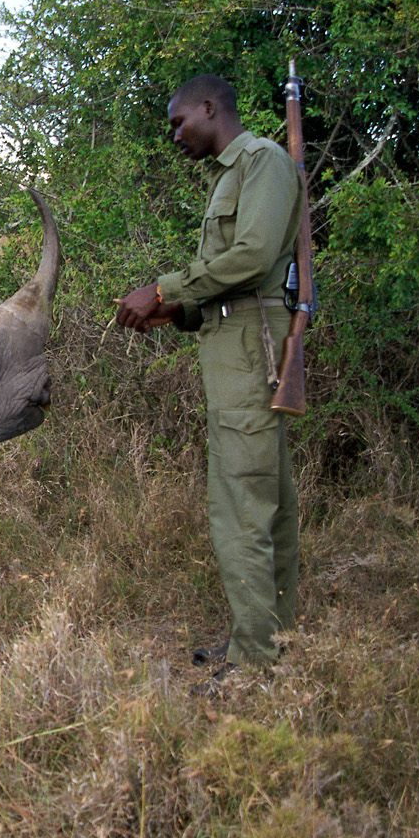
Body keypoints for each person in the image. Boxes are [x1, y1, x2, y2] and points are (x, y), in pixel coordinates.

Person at [116, 74, 302, 682]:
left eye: (178, 122)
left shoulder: (262, 162)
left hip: (251, 355)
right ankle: (267, 638)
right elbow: (229, 283)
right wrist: (177, 311)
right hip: (232, 350)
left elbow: (250, 257)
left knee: (241, 505)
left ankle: (256, 662)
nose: (175, 136)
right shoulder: (232, 173)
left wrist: (165, 288)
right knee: (259, 499)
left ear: (208, 107)